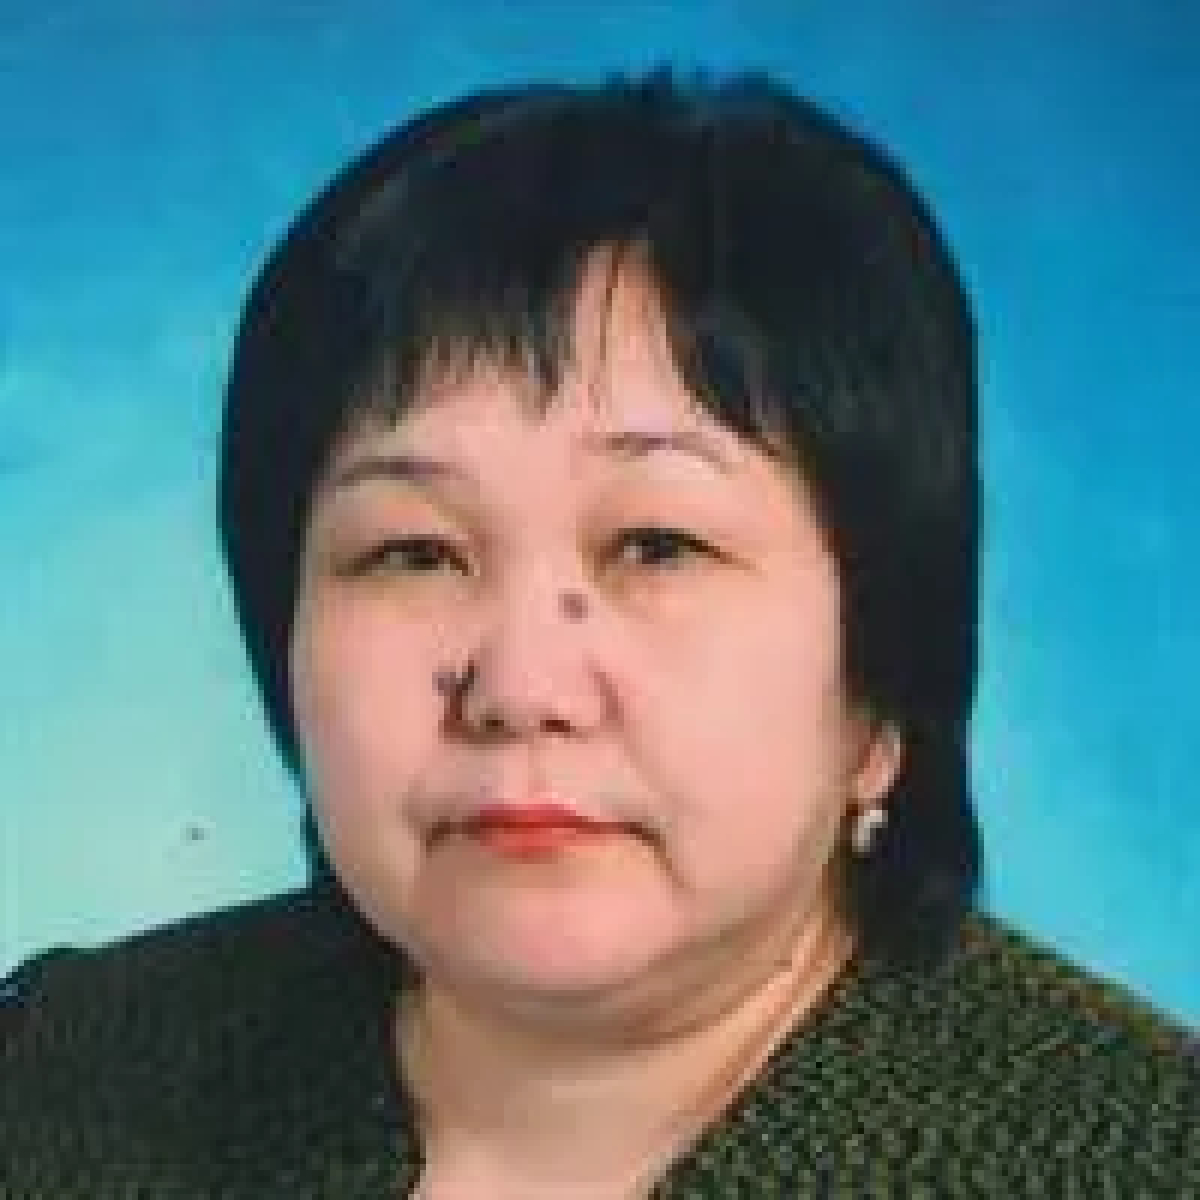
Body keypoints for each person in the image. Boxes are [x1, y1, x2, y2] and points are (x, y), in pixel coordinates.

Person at [3, 67, 1196, 1198]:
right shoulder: (64, 1074)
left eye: (658, 546)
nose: (522, 685)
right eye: (414, 552)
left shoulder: (1139, 1155)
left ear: (881, 689)